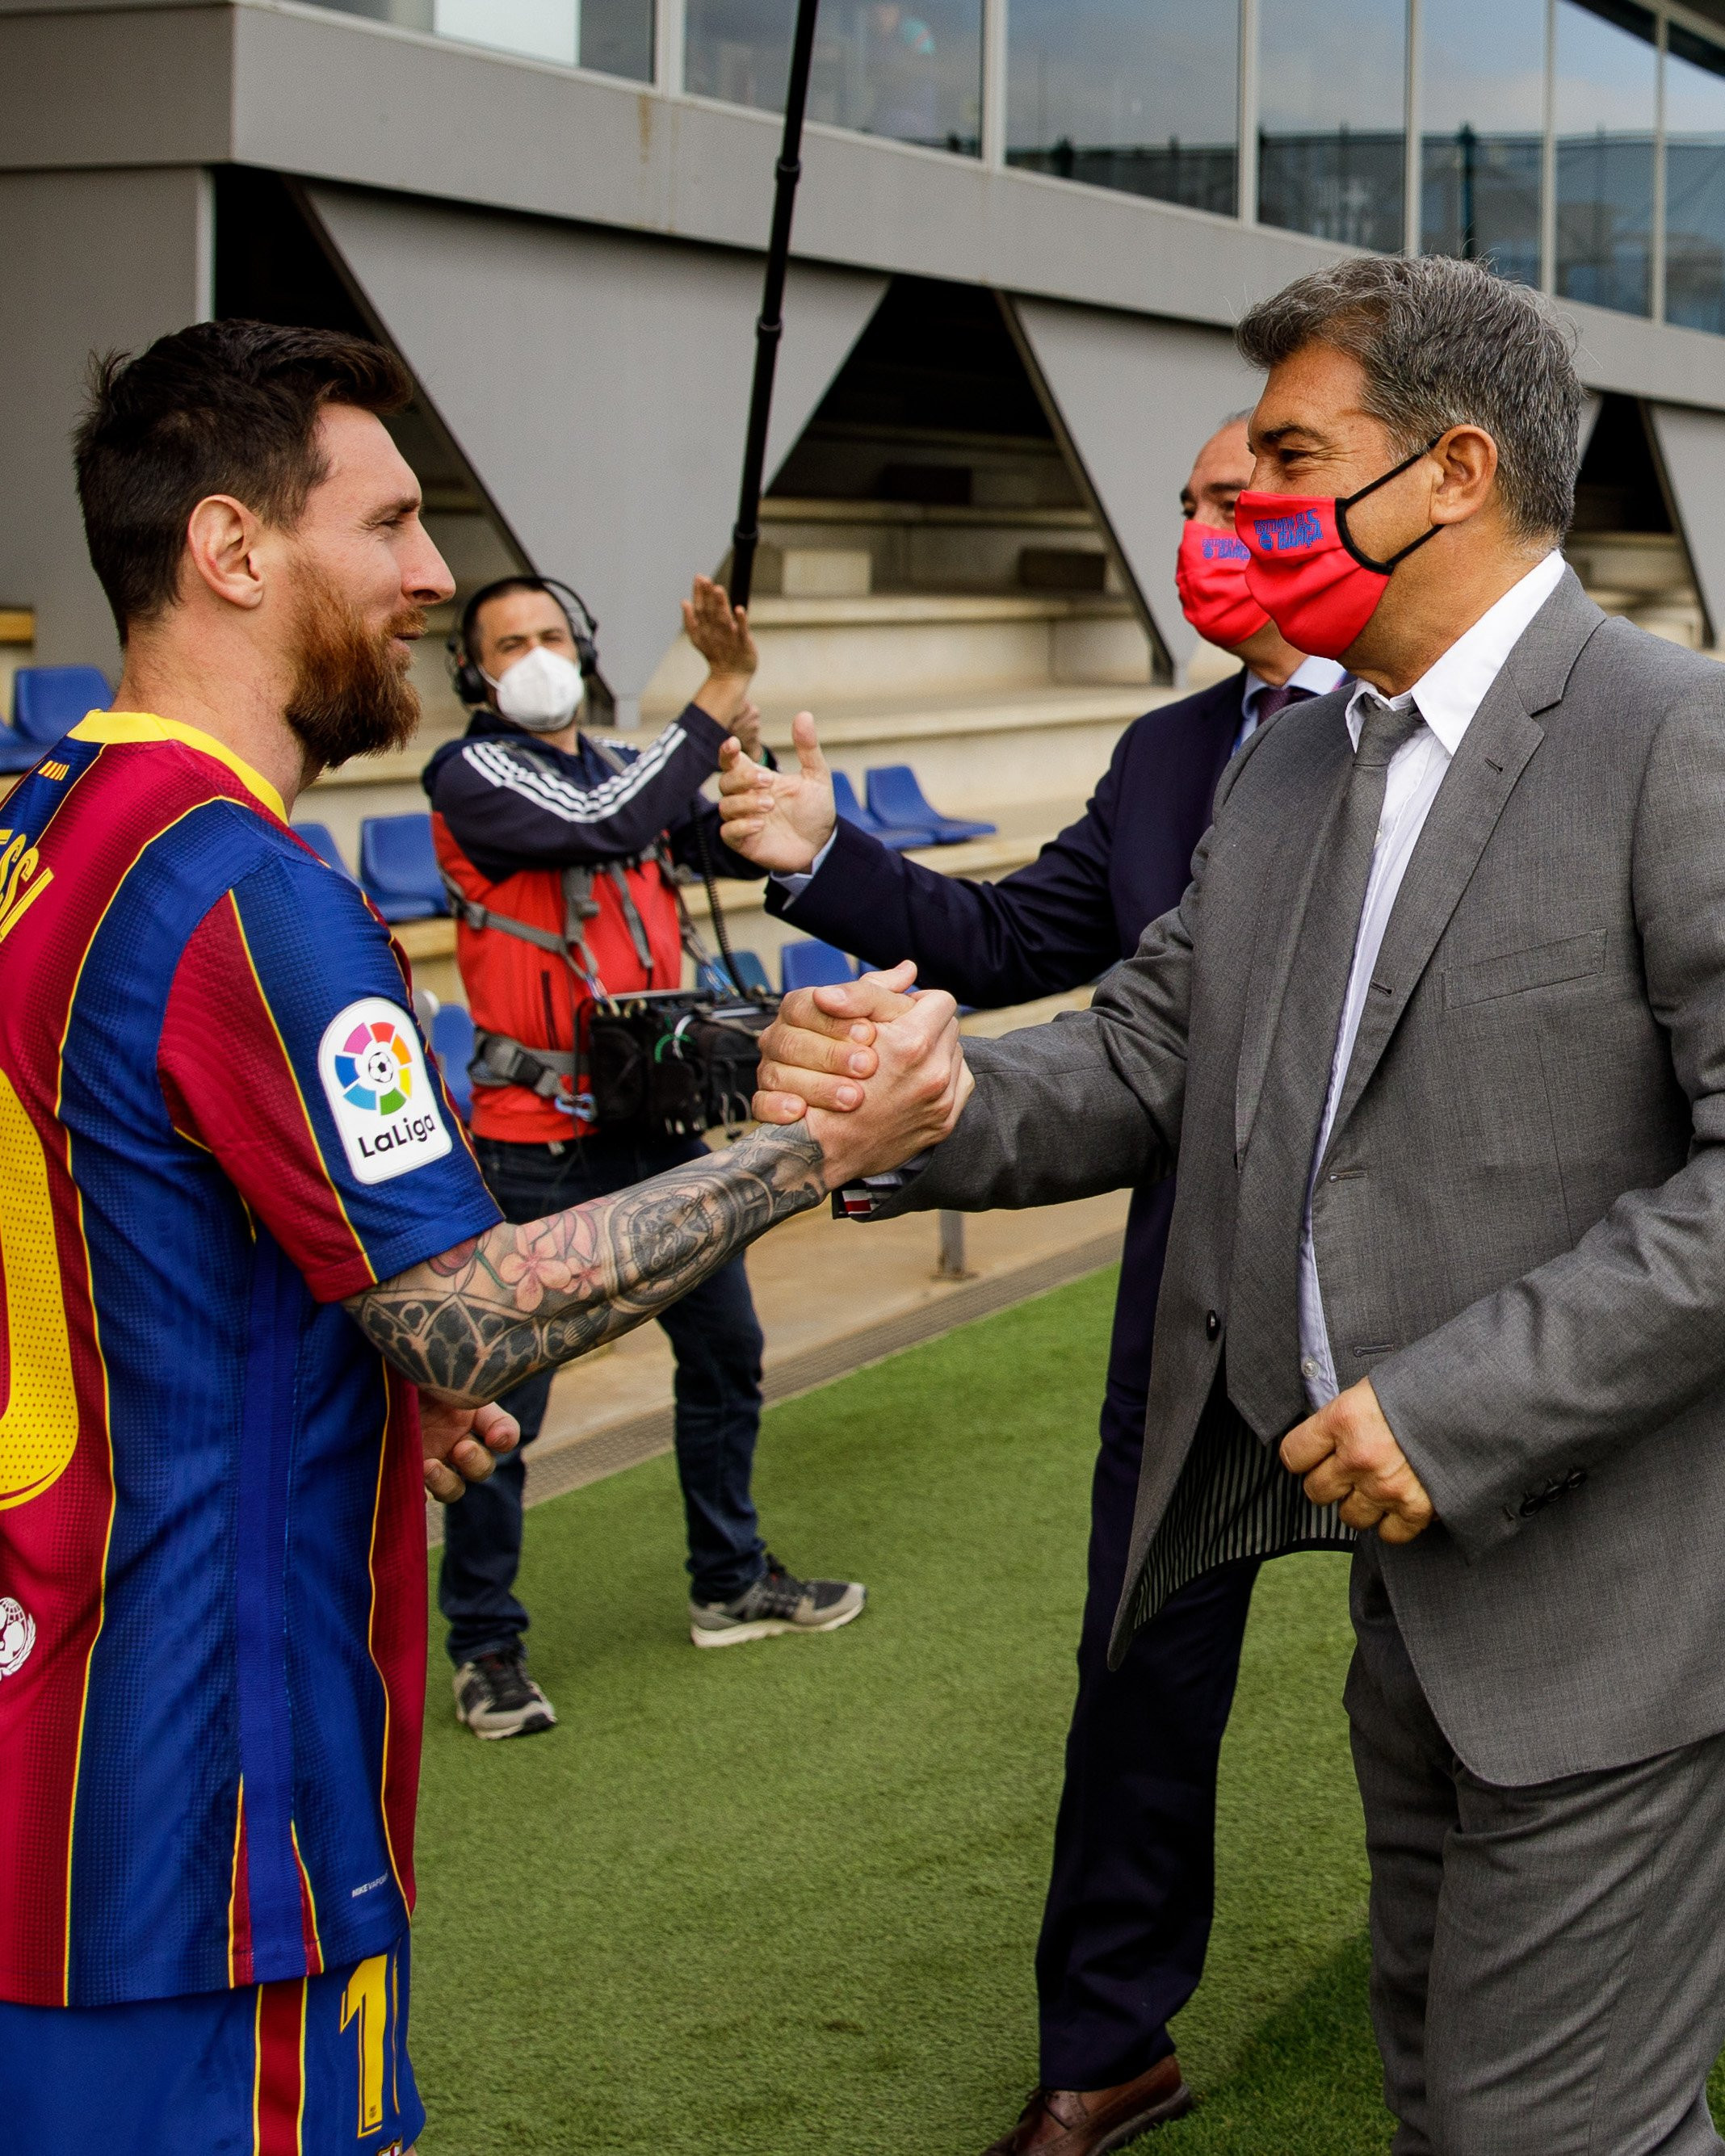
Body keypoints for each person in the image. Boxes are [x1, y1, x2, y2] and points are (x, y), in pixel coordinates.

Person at [749, 253, 1725, 2154]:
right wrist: (921, 1104)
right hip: (1417, 1623)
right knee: (1458, 2104)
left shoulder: (1671, 736)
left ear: (1451, 470)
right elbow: (1138, 1055)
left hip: (1618, 1619)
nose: (1250, 508)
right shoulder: (1295, 764)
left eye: (1291, 456)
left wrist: (1454, 1410)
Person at [0, 317, 965, 2156]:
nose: (434, 578)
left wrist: (338, 1382)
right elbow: (462, 1318)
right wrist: (809, 1148)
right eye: (388, 526)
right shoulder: (247, 892)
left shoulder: (33, 822)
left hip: (40, 1746)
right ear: (231, 550)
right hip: (201, 1795)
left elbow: (109, 1205)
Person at [716, 419, 1342, 2152]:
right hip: (1191, 1305)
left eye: (1239, 501)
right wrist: (820, 852)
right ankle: (1108, 2049)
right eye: (1190, 506)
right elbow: (1008, 947)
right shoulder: (1167, 755)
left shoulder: (1428, 738)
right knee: (1135, 1679)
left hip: (1414, 1311)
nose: (1205, 533)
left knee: (1473, 1688)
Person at [423, 575, 867, 1741]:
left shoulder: (625, 765)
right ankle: (486, 1646)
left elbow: (706, 845)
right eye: (509, 643)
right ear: (473, 674)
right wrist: (719, 686)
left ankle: (730, 1581)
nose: (535, 655)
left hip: (657, 1133)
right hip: (534, 1146)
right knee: (499, 1410)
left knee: (724, 1355)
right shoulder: (470, 777)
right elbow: (607, 825)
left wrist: (750, 770)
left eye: (552, 635)